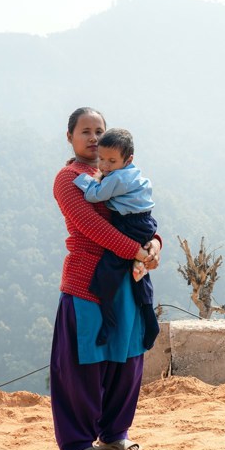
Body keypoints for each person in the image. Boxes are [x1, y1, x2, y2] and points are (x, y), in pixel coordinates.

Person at [51, 107, 162, 450]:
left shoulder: (118, 171)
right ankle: (79, 443)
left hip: (127, 282)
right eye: (85, 131)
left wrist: (155, 245)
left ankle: (114, 434)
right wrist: (138, 252)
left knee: (126, 361)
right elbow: (90, 228)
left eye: (99, 130)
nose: (93, 137)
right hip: (87, 281)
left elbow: (139, 216)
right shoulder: (69, 180)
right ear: (70, 136)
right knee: (85, 365)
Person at [72, 128, 160, 351]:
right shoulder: (132, 172)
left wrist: (83, 180)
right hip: (144, 224)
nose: (104, 166)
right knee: (139, 275)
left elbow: (94, 194)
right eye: (102, 159)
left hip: (128, 225)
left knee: (106, 275)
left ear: (127, 159)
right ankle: (150, 320)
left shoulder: (117, 178)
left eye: (111, 161)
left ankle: (108, 323)